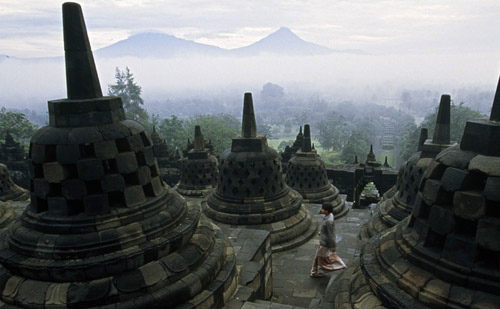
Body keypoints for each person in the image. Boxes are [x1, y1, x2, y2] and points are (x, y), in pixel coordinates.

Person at [310, 204, 346, 278]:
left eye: (323, 209)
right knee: (319, 257)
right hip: (323, 241)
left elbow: (331, 234)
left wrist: (332, 246)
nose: (322, 210)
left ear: (326, 211)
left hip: (325, 243)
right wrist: (321, 233)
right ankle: (315, 271)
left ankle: (318, 272)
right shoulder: (328, 216)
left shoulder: (329, 220)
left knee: (321, 258)